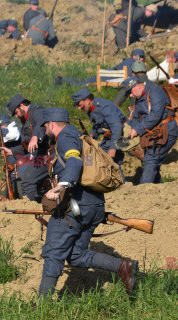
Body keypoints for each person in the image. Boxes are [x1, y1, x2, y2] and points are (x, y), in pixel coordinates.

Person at [38, 107, 139, 298]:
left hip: (74, 206)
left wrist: (61, 186)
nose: (45, 132)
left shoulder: (66, 138)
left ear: (51, 124)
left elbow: (74, 163)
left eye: (45, 127)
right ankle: (124, 267)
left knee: (53, 252)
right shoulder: (79, 134)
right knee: (76, 254)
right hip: (94, 206)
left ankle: (41, 306)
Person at [125, 77, 178, 184]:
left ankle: (143, 190)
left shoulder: (155, 91)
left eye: (130, 92)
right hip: (154, 134)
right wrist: (133, 132)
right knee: (154, 162)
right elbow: (136, 118)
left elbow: (155, 115)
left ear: (137, 86)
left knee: (151, 160)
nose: (130, 96)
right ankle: (159, 188)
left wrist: (137, 130)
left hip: (167, 130)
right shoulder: (139, 99)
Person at [0, 94, 49, 202]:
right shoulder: (27, 120)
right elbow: (27, 146)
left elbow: (41, 122)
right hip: (39, 156)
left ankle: (30, 209)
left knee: (27, 179)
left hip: (48, 155)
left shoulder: (37, 112)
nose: (16, 116)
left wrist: (35, 136)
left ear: (21, 106)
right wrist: (11, 151)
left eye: (16, 112)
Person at [71, 88, 126, 167]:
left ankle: (120, 179)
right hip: (110, 136)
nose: (79, 108)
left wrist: (113, 148)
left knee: (110, 163)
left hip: (120, 136)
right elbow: (98, 124)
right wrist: (92, 135)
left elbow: (116, 127)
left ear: (87, 100)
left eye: (79, 105)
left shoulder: (104, 107)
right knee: (101, 159)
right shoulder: (91, 108)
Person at [55, 49, 145, 87]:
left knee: (85, 81)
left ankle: (64, 81)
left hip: (108, 73)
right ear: (140, 58)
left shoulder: (129, 60)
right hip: (112, 76)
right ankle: (64, 81)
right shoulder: (136, 64)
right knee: (85, 82)